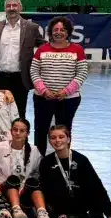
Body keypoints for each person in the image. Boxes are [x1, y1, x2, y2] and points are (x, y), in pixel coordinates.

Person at [38, 125, 111, 218]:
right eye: (53, 138)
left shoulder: (81, 160)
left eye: (61, 137)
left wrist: (110, 213)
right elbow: (45, 189)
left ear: (68, 139)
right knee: (51, 190)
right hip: (60, 203)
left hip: (81, 202)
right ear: (49, 141)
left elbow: (98, 187)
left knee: (92, 188)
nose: (57, 140)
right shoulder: (46, 162)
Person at [30, 16, 88, 154]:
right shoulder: (42, 50)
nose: (59, 32)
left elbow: (82, 73)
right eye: (55, 29)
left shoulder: (77, 50)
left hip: (68, 100)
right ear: (50, 32)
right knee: (41, 130)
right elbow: (34, 71)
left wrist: (66, 91)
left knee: (64, 131)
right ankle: (39, 162)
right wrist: (43, 91)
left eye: (62, 29)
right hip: (43, 98)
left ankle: (63, 160)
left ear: (68, 32)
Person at [0, 0, 44, 118]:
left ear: (20, 8)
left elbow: (43, 46)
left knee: (19, 112)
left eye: (14, 5)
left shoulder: (31, 27)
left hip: (20, 78)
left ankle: (20, 137)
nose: (11, 8)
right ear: (5, 9)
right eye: (8, 6)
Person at [0, 118, 47, 218]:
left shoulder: (34, 151)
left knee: (33, 183)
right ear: (10, 131)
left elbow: (37, 173)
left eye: (22, 131)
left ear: (28, 133)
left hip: (24, 192)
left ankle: (42, 214)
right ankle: (16, 210)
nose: (18, 133)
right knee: (12, 180)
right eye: (15, 130)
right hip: (4, 189)